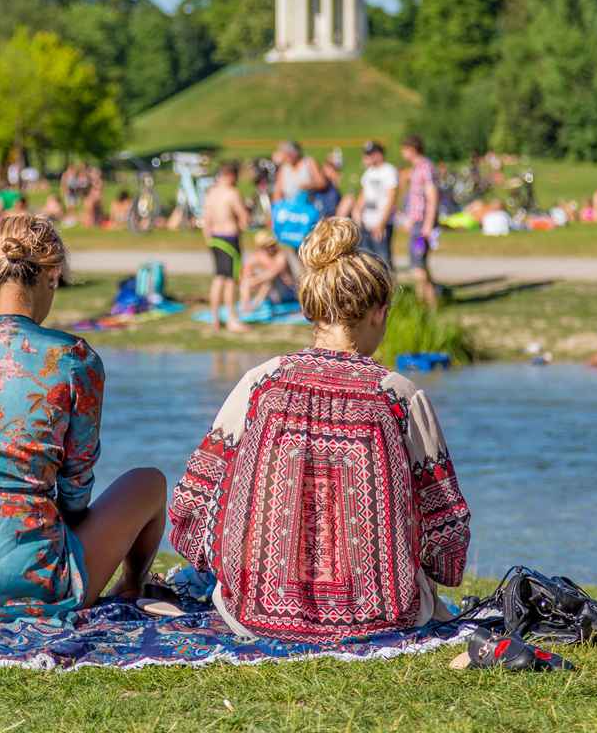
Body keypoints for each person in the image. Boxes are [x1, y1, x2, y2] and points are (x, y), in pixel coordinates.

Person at [168, 217, 470, 641]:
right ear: (378, 313)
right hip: (383, 618)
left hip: (254, 616)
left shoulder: (262, 382)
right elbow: (447, 530)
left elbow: (193, 499)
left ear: (313, 311)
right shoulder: (397, 395)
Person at [0, 214, 167, 616]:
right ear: (53, 276)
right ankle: (131, 586)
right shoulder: (73, 359)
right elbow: (76, 485)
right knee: (149, 481)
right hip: (30, 577)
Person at [202, 162, 250, 333]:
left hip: (214, 239)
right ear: (230, 176)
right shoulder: (232, 193)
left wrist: (208, 240)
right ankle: (231, 319)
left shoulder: (211, 193)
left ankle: (215, 319)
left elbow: (206, 220)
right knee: (230, 280)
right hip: (229, 239)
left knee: (218, 278)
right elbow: (244, 219)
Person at [400, 134, 441, 307]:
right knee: (421, 265)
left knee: (418, 266)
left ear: (412, 149)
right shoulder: (416, 168)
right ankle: (430, 304)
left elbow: (432, 197)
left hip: (422, 226)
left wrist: (427, 226)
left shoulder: (425, 167)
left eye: (404, 149)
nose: (402, 153)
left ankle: (424, 305)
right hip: (417, 224)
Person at [353, 141, 398, 265]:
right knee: (367, 260)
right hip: (367, 223)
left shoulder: (388, 170)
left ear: (378, 154)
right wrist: (357, 211)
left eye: (369, 154)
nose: (366, 157)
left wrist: (382, 223)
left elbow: (392, 198)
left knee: (383, 260)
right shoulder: (368, 172)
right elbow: (363, 195)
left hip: (382, 223)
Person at [238, 230, 295, 312]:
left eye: (273, 245)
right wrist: (248, 278)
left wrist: (254, 280)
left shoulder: (281, 256)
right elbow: (245, 271)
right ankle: (245, 306)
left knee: (268, 282)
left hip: (286, 290)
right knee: (246, 281)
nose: (271, 248)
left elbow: (274, 272)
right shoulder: (257, 256)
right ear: (261, 248)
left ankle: (255, 306)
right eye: (267, 246)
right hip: (272, 290)